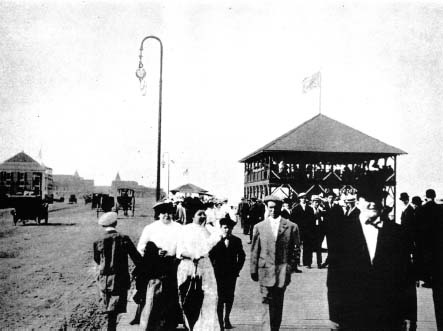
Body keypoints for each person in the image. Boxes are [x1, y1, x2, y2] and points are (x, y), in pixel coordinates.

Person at [327, 184, 410, 330]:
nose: (372, 203)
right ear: (358, 202)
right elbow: (334, 276)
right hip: (351, 313)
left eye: (377, 198)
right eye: (367, 198)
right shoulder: (342, 231)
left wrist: (409, 315)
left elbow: (406, 278)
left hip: (389, 315)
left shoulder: (398, 232)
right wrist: (334, 314)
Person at [250, 195, 300, 331]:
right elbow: (255, 250)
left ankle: (275, 328)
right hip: (264, 270)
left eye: (275, 207)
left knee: (278, 303)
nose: (273, 210)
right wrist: (253, 269)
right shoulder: (259, 227)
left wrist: (291, 266)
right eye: (270, 207)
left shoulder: (291, 227)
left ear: (280, 207)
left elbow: (296, 250)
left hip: (282, 272)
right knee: (266, 301)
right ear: (267, 208)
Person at [132, 200, 182, 330]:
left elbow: (183, 245)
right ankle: (152, 321)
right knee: (153, 293)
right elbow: (141, 247)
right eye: (163, 213)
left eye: (169, 213)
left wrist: (177, 255)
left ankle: (169, 322)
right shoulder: (150, 228)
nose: (166, 215)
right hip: (155, 265)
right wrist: (155, 252)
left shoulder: (179, 228)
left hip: (173, 264)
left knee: (171, 294)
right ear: (158, 214)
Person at [176, 203, 222, 330]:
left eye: (204, 214)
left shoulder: (208, 230)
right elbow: (180, 251)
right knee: (188, 297)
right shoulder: (185, 229)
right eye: (199, 214)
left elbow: (214, 245)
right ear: (192, 216)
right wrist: (192, 256)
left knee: (209, 297)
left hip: (205, 267)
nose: (202, 216)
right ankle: (190, 325)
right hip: (188, 267)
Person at [93, 212, 141, 331]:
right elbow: (137, 258)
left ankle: (110, 326)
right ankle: (111, 327)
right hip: (120, 277)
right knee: (116, 307)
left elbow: (97, 259)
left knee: (108, 305)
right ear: (116, 223)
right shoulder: (123, 238)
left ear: (103, 226)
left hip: (105, 278)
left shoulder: (98, 240)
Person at [209, 217, 246, 330]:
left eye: (229, 228)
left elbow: (242, 256)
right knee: (220, 297)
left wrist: (237, 269)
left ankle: (227, 318)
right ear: (221, 228)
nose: (227, 230)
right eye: (225, 227)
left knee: (229, 296)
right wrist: (213, 268)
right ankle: (220, 322)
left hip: (231, 274)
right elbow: (210, 255)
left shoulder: (236, 240)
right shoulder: (215, 241)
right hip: (218, 274)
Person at [421, 189, 443, 329]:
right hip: (440, 250)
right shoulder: (440, 209)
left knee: (437, 292)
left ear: (426, 197)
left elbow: (419, 232)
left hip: (429, 251)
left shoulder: (423, 210)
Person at [291, 193, 315, 268]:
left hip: (308, 230)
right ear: (299, 199)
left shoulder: (310, 209)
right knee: (297, 246)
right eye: (302, 198)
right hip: (299, 230)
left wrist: (311, 229)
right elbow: (293, 220)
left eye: (304, 198)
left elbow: (312, 220)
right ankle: (297, 262)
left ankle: (308, 262)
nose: (303, 199)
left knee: (308, 246)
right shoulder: (295, 209)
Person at [321, 192, 344, 269]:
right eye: (329, 198)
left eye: (332, 198)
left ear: (334, 198)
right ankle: (330, 261)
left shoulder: (338, 207)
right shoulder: (324, 207)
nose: (330, 199)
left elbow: (341, 218)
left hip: (336, 230)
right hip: (327, 230)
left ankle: (331, 261)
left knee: (335, 246)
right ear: (327, 199)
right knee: (330, 246)